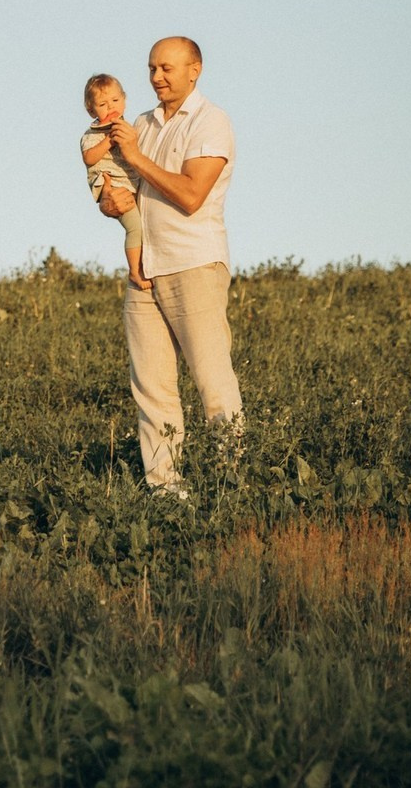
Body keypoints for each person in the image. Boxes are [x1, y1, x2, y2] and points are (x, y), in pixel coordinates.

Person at [98, 37, 242, 492]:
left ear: (194, 70)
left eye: (167, 68)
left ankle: (231, 484)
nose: (157, 77)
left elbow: (191, 194)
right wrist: (108, 199)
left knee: (213, 383)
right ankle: (165, 490)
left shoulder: (211, 122)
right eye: (151, 69)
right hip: (143, 272)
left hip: (194, 264)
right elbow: (116, 182)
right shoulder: (139, 122)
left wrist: (138, 157)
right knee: (153, 389)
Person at [80, 73, 150, 290]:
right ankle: (135, 272)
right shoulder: (94, 134)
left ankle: (145, 265)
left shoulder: (129, 126)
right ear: (91, 110)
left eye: (116, 101)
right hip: (112, 185)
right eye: (102, 104)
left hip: (131, 184)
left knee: (145, 225)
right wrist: (109, 141)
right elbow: (89, 158)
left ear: (125, 100)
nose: (111, 107)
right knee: (135, 228)